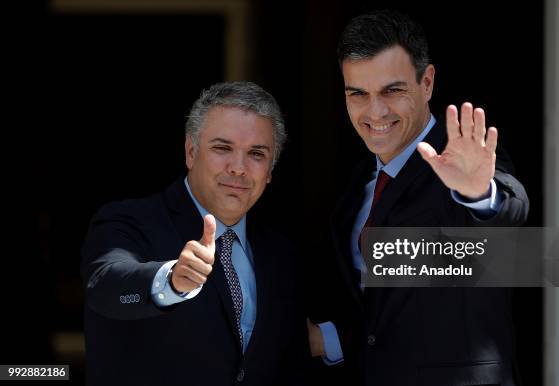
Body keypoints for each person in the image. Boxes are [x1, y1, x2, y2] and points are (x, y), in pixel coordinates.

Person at [307, 10, 529, 386]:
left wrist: (476, 194)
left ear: (427, 83)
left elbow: (506, 213)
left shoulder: (462, 159)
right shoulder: (355, 183)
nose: (375, 111)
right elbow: (384, 317)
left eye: (392, 91)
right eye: (358, 93)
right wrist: (324, 340)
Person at [81, 81, 308, 386]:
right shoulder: (127, 222)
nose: (238, 168)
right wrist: (171, 281)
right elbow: (105, 285)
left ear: (269, 171)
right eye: (222, 148)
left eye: (256, 153)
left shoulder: (282, 255)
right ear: (191, 152)